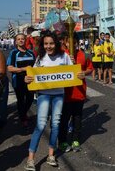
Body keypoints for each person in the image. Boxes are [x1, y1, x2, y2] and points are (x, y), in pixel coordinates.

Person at [24, 31, 85, 170]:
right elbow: (32, 77)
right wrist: (27, 79)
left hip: (59, 95)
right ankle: (30, 159)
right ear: (42, 44)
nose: (48, 46)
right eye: (46, 43)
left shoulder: (64, 56)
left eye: (51, 43)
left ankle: (51, 155)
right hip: (44, 95)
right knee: (40, 125)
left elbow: (75, 73)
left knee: (56, 125)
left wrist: (80, 74)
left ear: (56, 43)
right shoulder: (40, 58)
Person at [58, 33, 93, 153]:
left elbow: (90, 68)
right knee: (64, 119)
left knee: (77, 118)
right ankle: (62, 141)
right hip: (65, 94)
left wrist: (85, 73)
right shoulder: (61, 55)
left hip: (79, 93)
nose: (72, 44)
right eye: (69, 42)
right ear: (65, 42)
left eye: (74, 42)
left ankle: (75, 140)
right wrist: (66, 62)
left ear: (78, 43)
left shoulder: (83, 54)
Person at [7, 33, 36, 128]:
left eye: (22, 39)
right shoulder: (14, 53)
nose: (20, 40)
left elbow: (36, 66)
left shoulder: (31, 53)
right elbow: (10, 68)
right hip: (18, 81)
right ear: (16, 41)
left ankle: (23, 114)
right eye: (18, 39)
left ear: (25, 40)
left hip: (31, 80)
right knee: (21, 100)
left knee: (30, 98)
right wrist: (24, 69)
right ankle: (23, 118)